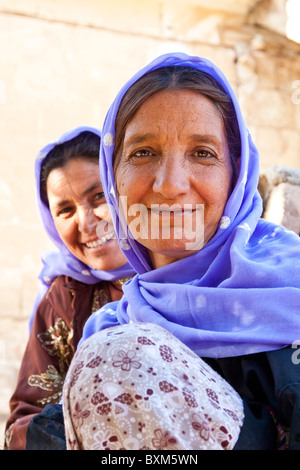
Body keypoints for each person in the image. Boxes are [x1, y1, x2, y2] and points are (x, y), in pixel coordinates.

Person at [63, 53, 300, 450]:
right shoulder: (109, 330)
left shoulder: (290, 290)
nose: (171, 185)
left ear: (235, 175)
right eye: (143, 152)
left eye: (203, 153)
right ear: (112, 175)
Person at [4, 127, 135, 450]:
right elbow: (26, 418)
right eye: (65, 210)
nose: (86, 222)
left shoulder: (182, 271)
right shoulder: (63, 297)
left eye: (99, 196)